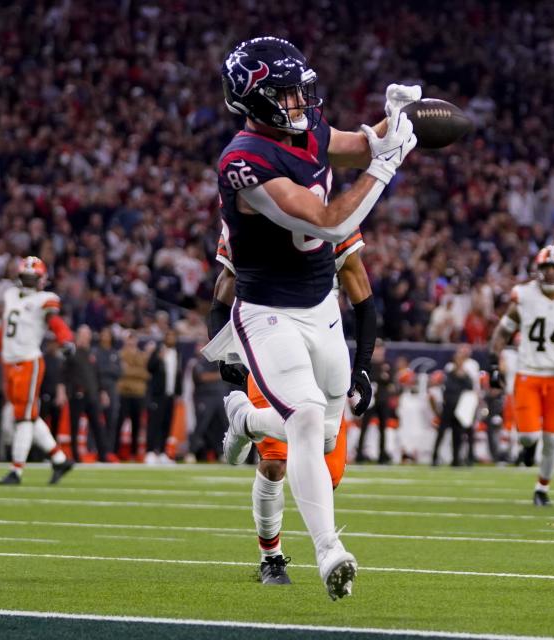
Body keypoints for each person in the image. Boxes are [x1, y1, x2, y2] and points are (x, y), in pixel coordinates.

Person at [211, 36, 416, 599]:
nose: (300, 104)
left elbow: (361, 144)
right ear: (254, 99)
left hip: (322, 307)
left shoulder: (305, 132)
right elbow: (327, 221)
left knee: (324, 435)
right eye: (287, 94)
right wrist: (386, 167)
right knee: (303, 417)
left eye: (302, 92)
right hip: (267, 312)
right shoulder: (243, 160)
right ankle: (330, 551)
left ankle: (244, 420)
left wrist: (394, 122)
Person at [206, 223, 374, 585]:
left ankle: (246, 421)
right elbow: (222, 293)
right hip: (269, 339)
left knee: (325, 462)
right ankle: (272, 556)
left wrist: (362, 367)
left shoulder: (333, 217)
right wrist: (225, 353)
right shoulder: (251, 210)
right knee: (274, 463)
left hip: (321, 346)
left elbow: (362, 297)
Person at [489, 245, 554, 506]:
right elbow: (501, 333)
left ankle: (542, 488)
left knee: (553, 439)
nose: (550, 274)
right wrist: (494, 365)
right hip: (528, 373)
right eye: (546, 268)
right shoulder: (524, 296)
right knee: (529, 436)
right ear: (538, 270)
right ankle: (527, 446)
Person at [0, 256, 75, 485]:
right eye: (25, 277)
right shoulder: (10, 295)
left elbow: (54, 321)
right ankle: (59, 459)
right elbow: (5, 328)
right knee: (28, 415)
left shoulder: (45, 299)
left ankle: (16, 471)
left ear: (41, 279)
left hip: (28, 362)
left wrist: (65, 339)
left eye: (31, 278)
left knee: (23, 418)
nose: (27, 281)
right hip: (8, 362)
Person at [65, 325, 111, 463]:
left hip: (92, 395)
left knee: (98, 425)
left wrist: (102, 391)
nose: (87, 338)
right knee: (74, 426)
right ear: (78, 336)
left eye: (88, 335)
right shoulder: (71, 352)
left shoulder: (91, 354)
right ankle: (75, 455)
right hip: (77, 394)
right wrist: (65, 391)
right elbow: (64, 373)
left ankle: (103, 455)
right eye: (84, 335)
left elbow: (97, 375)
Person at [431, 344, 478, 466]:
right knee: (441, 432)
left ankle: (457, 459)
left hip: (461, 407)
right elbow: (446, 388)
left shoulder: (467, 374)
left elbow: (470, 387)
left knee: (458, 434)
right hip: (448, 406)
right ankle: (435, 457)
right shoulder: (449, 372)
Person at [355, 340, 396, 464]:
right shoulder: (368, 364)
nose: (378, 351)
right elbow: (365, 379)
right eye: (376, 348)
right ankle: (360, 453)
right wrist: (381, 379)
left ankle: (382, 454)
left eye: (380, 348)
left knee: (383, 428)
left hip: (382, 400)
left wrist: (382, 380)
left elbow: (391, 383)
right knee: (364, 427)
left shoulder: (387, 364)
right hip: (369, 399)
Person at [145, 329, 181, 464]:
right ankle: (149, 452)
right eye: (169, 335)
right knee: (154, 423)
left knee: (166, 424)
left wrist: (178, 392)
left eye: (173, 336)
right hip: (158, 395)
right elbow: (149, 367)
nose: (171, 338)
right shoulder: (158, 351)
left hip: (170, 395)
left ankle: (162, 453)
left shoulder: (177, 353)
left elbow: (178, 375)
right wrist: (158, 357)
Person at [115, 332, 150, 461]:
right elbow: (120, 372)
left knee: (137, 425)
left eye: (133, 340)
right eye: (128, 340)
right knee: (118, 423)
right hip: (124, 393)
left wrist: (129, 370)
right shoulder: (119, 354)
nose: (130, 343)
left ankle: (134, 454)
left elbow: (146, 374)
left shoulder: (142, 355)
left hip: (138, 394)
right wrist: (137, 372)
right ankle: (115, 452)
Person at [94, 326, 123, 458]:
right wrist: (109, 369)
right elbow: (96, 370)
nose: (105, 337)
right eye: (103, 334)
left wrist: (106, 369)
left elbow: (119, 371)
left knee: (112, 419)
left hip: (112, 389)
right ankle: (95, 449)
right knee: (96, 420)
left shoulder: (114, 353)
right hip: (98, 388)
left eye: (108, 334)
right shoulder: (95, 352)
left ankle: (109, 451)